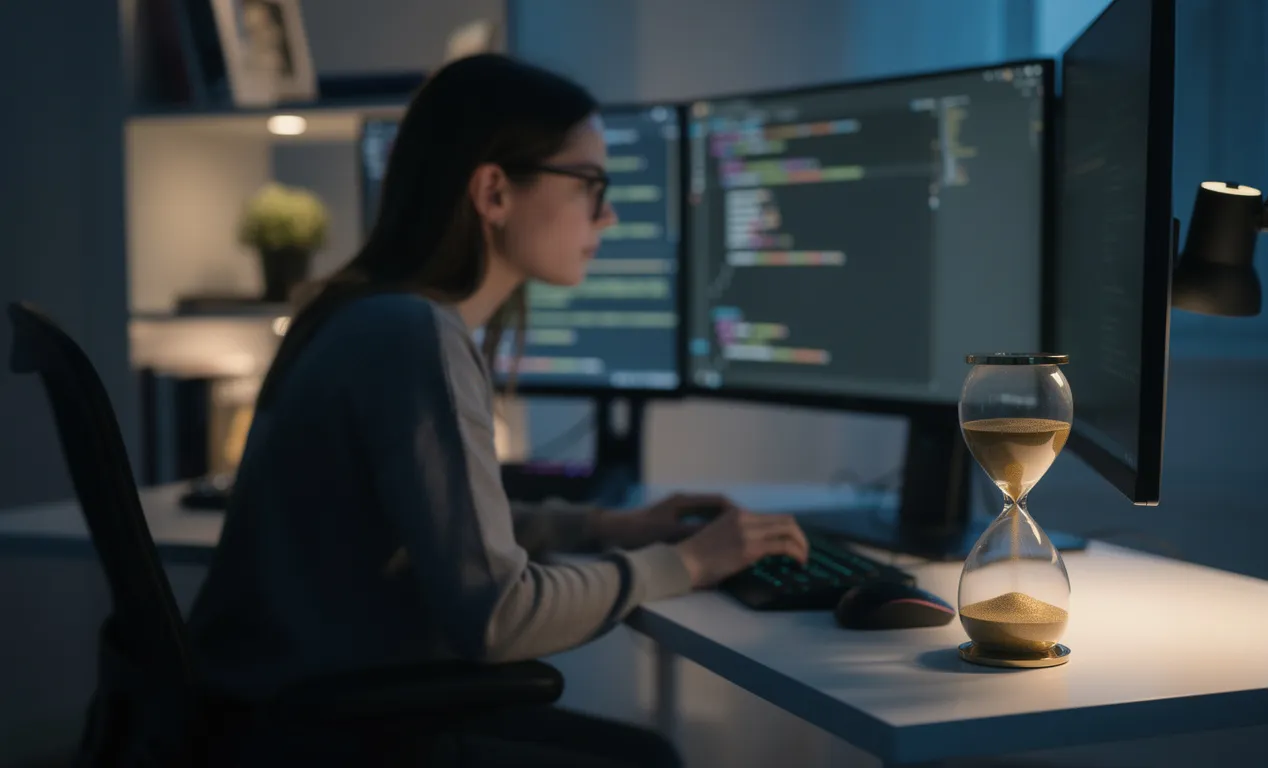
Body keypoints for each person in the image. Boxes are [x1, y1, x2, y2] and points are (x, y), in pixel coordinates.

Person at [186, 54, 810, 767]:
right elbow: (499, 615)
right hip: (316, 737)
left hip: (268, 717)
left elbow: (439, 530)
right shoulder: (415, 337)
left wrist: (604, 526)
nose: (606, 214)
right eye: (591, 184)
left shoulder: (357, 311)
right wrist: (688, 562)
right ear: (494, 192)